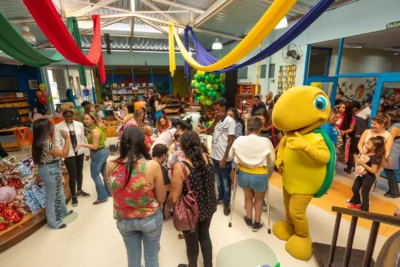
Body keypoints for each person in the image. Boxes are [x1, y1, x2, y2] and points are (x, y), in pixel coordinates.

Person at [104, 126, 166, 267]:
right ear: (142, 143)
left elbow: (113, 192)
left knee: (133, 258)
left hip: (124, 219)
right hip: (149, 218)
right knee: (151, 257)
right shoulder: (152, 165)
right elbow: (162, 198)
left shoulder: (110, 165)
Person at [166, 131, 217, 267]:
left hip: (191, 212)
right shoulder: (209, 158)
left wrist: (167, 208)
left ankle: (192, 265)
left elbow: (174, 197)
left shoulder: (181, 167)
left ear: (182, 148)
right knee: (205, 236)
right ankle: (208, 265)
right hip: (209, 205)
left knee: (191, 242)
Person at [229, 117, 275, 231]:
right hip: (260, 174)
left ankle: (248, 219)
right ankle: (257, 223)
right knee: (259, 200)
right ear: (260, 129)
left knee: (248, 197)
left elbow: (230, 156)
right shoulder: (266, 142)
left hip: (244, 174)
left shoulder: (239, 140)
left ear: (247, 127)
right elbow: (272, 161)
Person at [32, 118, 72, 229]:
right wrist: (67, 139)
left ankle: (63, 211)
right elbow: (64, 154)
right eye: (50, 126)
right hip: (50, 169)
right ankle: (54, 222)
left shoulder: (37, 142)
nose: (52, 128)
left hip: (48, 168)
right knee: (52, 196)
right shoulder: (47, 143)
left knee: (58, 192)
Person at [199, 98, 235, 216]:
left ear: (224, 108)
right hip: (214, 155)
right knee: (218, 180)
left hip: (224, 157)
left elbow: (230, 141)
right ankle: (220, 197)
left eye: (217, 108)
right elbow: (208, 132)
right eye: (214, 109)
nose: (215, 110)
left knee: (225, 181)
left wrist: (224, 158)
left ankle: (226, 202)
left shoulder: (230, 121)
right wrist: (215, 121)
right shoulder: (216, 120)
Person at [54, 108, 91, 207]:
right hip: (68, 153)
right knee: (72, 174)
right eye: (67, 117)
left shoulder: (79, 124)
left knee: (80, 171)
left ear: (73, 116)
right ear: (63, 117)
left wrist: (87, 152)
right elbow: (57, 143)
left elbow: (84, 138)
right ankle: (73, 195)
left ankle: (79, 190)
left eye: (71, 116)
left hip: (79, 151)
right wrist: (60, 157)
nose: (69, 118)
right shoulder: (58, 127)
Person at [75, 112, 111, 205]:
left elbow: (95, 146)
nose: (85, 121)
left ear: (93, 120)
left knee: (94, 175)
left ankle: (102, 197)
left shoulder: (95, 130)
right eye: (85, 119)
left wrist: (82, 144)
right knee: (104, 173)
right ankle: (109, 192)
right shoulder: (99, 127)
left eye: (87, 119)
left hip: (98, 153)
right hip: (102, 152)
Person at [348, 136, 386, 211]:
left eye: (368, 143)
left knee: (364, 193)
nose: (365, 144)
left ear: (374, 147)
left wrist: (361, 163)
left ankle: (364, 209)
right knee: (354, 188)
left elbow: (373, 171)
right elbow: (363, 161)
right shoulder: (367, 153)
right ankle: (357, 201)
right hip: (362, 174)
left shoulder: (374, 158)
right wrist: (357, 158)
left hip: (369, 177)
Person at [344, 101, 369, 173]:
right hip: (363, 136)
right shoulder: (362, 119)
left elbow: (351, 128)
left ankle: (349, 168)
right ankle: (356, 168)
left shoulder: (352, 118)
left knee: (352, 152)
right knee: (360, 152)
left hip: (356, 136)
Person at [383, 109, 400, 198]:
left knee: (389, 171)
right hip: (393, 150)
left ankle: (394, 192)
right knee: (389, 171)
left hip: (392, 151)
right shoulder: (395, 126)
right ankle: (393, 190)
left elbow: (389, 139)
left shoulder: (395, 127)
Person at [151, 144, 170, 220]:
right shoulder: (161, 169)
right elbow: (167, 188)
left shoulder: (145, 164)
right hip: (157, 206)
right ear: (163, 155)